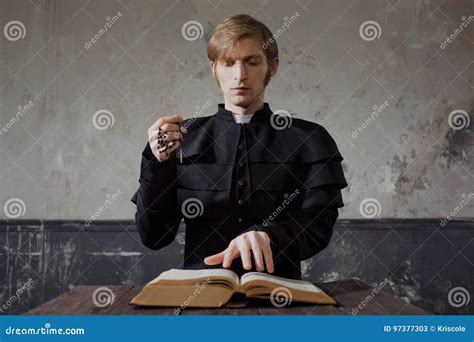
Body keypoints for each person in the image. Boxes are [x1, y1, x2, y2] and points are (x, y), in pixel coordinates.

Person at [131, 14, 348, 280]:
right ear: (214, 69)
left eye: (252, 61)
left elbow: (318, 226)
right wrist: (158, 163)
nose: (240, 75)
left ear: (273, 66)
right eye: (229, 63)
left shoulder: (310, 139)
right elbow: (154, 237)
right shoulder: (180, 139)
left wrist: (268, 237)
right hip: (199, 300)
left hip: (279, 299)